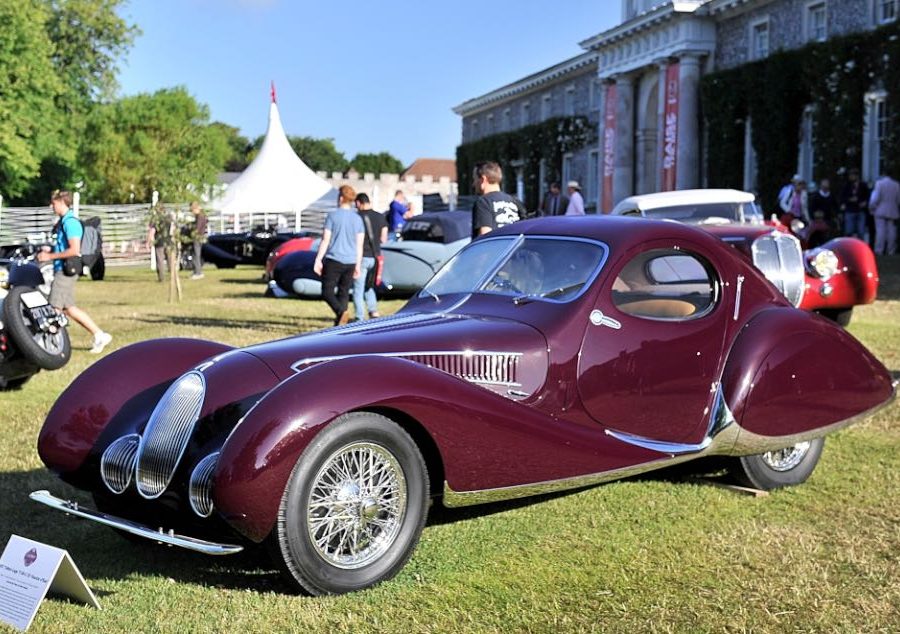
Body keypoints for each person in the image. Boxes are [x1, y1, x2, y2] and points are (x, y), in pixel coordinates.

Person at [37, 190, 112, 353]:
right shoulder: (64, 222)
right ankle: (100, 335)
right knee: (68, 308)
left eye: (54, 203)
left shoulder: (70, 223)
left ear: (62, 202)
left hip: (65, 270)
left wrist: (49, 256)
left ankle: (50, 347)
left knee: (54, 308)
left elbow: (74, 250)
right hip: (63, 268)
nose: (51, 206)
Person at [314, 185, 364, 326]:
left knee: (327, 291)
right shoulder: (358, 219)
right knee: (344, 292)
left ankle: (341, 312)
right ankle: (340, 323)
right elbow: (359, 245)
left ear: (341, 198)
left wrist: (318, 259)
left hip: (334, 259)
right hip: (351, 260)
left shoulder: (332, 216)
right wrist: (358, 265)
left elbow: (325, 240)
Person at [353, 193, 388, 321]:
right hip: (375, 256)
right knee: (369, 285)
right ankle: (373, 311)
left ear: (358, 203)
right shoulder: (380, 217)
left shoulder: (356, 217)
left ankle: (359, 316)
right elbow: (384, 239)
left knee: (358, 288)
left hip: (361, 256)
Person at [471, 161, 525, 238]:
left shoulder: (483, 202)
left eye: (475, 179)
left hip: (496, 248)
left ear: (483, 179)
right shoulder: (515, 201)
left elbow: (485, 236)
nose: (474, 184)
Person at [869, 173, 900, 255]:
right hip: (893, 210)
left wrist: (872, 207)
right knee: (892, 231)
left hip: (880, 210)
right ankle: (891, 250)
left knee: (880, 231)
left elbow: (875, 198)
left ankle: (879, 250)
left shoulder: (879, 183)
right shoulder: (896, 184)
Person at [808, 178, 839, 247]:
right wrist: (814, 216)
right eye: (824, 184)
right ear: (821, 186)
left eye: (826, 185)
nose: (825, 186)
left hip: (828, 221)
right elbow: (811, 209)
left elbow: (836, 208)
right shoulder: (815, 196)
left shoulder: (832, 196)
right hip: (816, 222)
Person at [840, 168, 870, 240]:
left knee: (861, 232)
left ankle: (860, 248)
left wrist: (865, 202)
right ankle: (848, 248)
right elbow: (842, 197)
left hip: (860, 210)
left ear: (857, 176)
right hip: (850, 210)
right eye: (850, 175)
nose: (850, 177)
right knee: (849, 231)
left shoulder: (863, 185)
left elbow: (868, 196)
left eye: (852, 175)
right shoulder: (847, 186)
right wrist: (849, 200)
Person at [147, 204, 173, 282]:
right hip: (168, 240)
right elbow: (172, 229)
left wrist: (149, 241)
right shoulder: (169, 217)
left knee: (160, 260)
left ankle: (161, 278)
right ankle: (172, 276)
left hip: (159, 241)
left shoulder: (155, 219)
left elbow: (152, 231)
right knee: (170, 259)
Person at [188, 201, 208, 279]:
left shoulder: (200, 216)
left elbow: (198, 228)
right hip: (200, 237)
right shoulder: (202, 215)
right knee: (196, 254)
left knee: (196, 255)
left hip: (197, 237)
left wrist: (192, 232)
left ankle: (198, 272)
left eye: (192, 210)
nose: (192, 212)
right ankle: (197, 271)